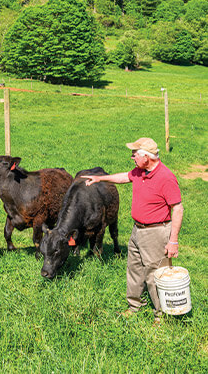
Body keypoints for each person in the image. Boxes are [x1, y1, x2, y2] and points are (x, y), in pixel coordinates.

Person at [83, 137, 183, 323]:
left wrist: (173, 241)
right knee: (135, 269)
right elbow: (124, 177)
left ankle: (161, 314)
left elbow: (177, 208)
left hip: (156, 232)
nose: (132, 157)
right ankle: (135, 305)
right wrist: (99, 178)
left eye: (134, 154)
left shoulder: (165, 177)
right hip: (137, 229)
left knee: (156, 274)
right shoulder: (140, 171)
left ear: (146, 157)